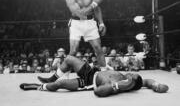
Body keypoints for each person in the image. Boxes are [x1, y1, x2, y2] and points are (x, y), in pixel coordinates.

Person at [37, 0, 107, 83]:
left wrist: (101, 23)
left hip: (91, 23)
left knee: (98, 48)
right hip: (76, 24)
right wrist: (94, 3)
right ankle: (55, 77)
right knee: (73, 51)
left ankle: (105, 73)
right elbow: (80, 13)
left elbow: (99, 3)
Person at [20, 55, 169, 97]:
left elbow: (98, 92)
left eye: (132, 76)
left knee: (60, 85)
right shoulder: (132, 79)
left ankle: (40, 87)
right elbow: (149, 81)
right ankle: (50, 78)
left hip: (88, 82)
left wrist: (117, 86)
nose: (130, 73)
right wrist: (157, 85)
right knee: (69, 59)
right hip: (92, 70)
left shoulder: (120, 86)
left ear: (131, 83)